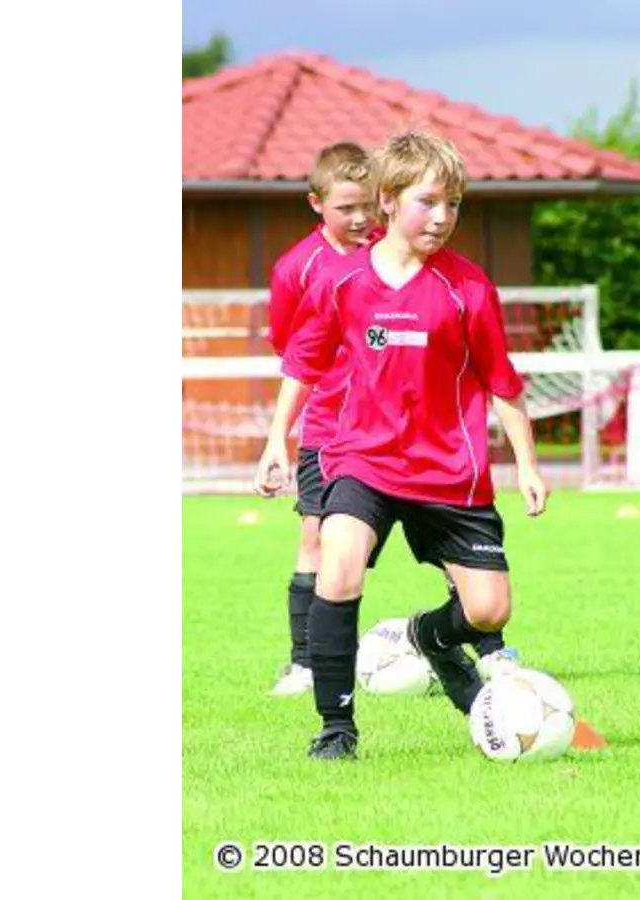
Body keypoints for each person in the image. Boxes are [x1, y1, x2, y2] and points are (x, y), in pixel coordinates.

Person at [255, 130, 548, 760]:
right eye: (428, 201)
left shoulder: (468, 289)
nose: (443, 217)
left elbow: (503, 382)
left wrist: (527, 464)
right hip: (363, 457)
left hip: (451, 470)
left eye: (454, 204)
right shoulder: (342, 282)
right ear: (388, 200)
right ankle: (336, 728)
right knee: (338, 563)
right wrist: (277, 438)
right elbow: (303, 362)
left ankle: (430, 638)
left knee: (490, 611)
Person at [261, 142, 376, 698]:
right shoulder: (296, 268)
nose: (360, 219)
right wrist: (279, 437)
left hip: (396, 425)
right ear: (316, 203)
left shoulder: (390, 253)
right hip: (329, 427)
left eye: (369, 207)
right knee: (314, 535)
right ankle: (304, 662)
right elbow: (294, 348)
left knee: (440, 528)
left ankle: (487, 647)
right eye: (346, 207)